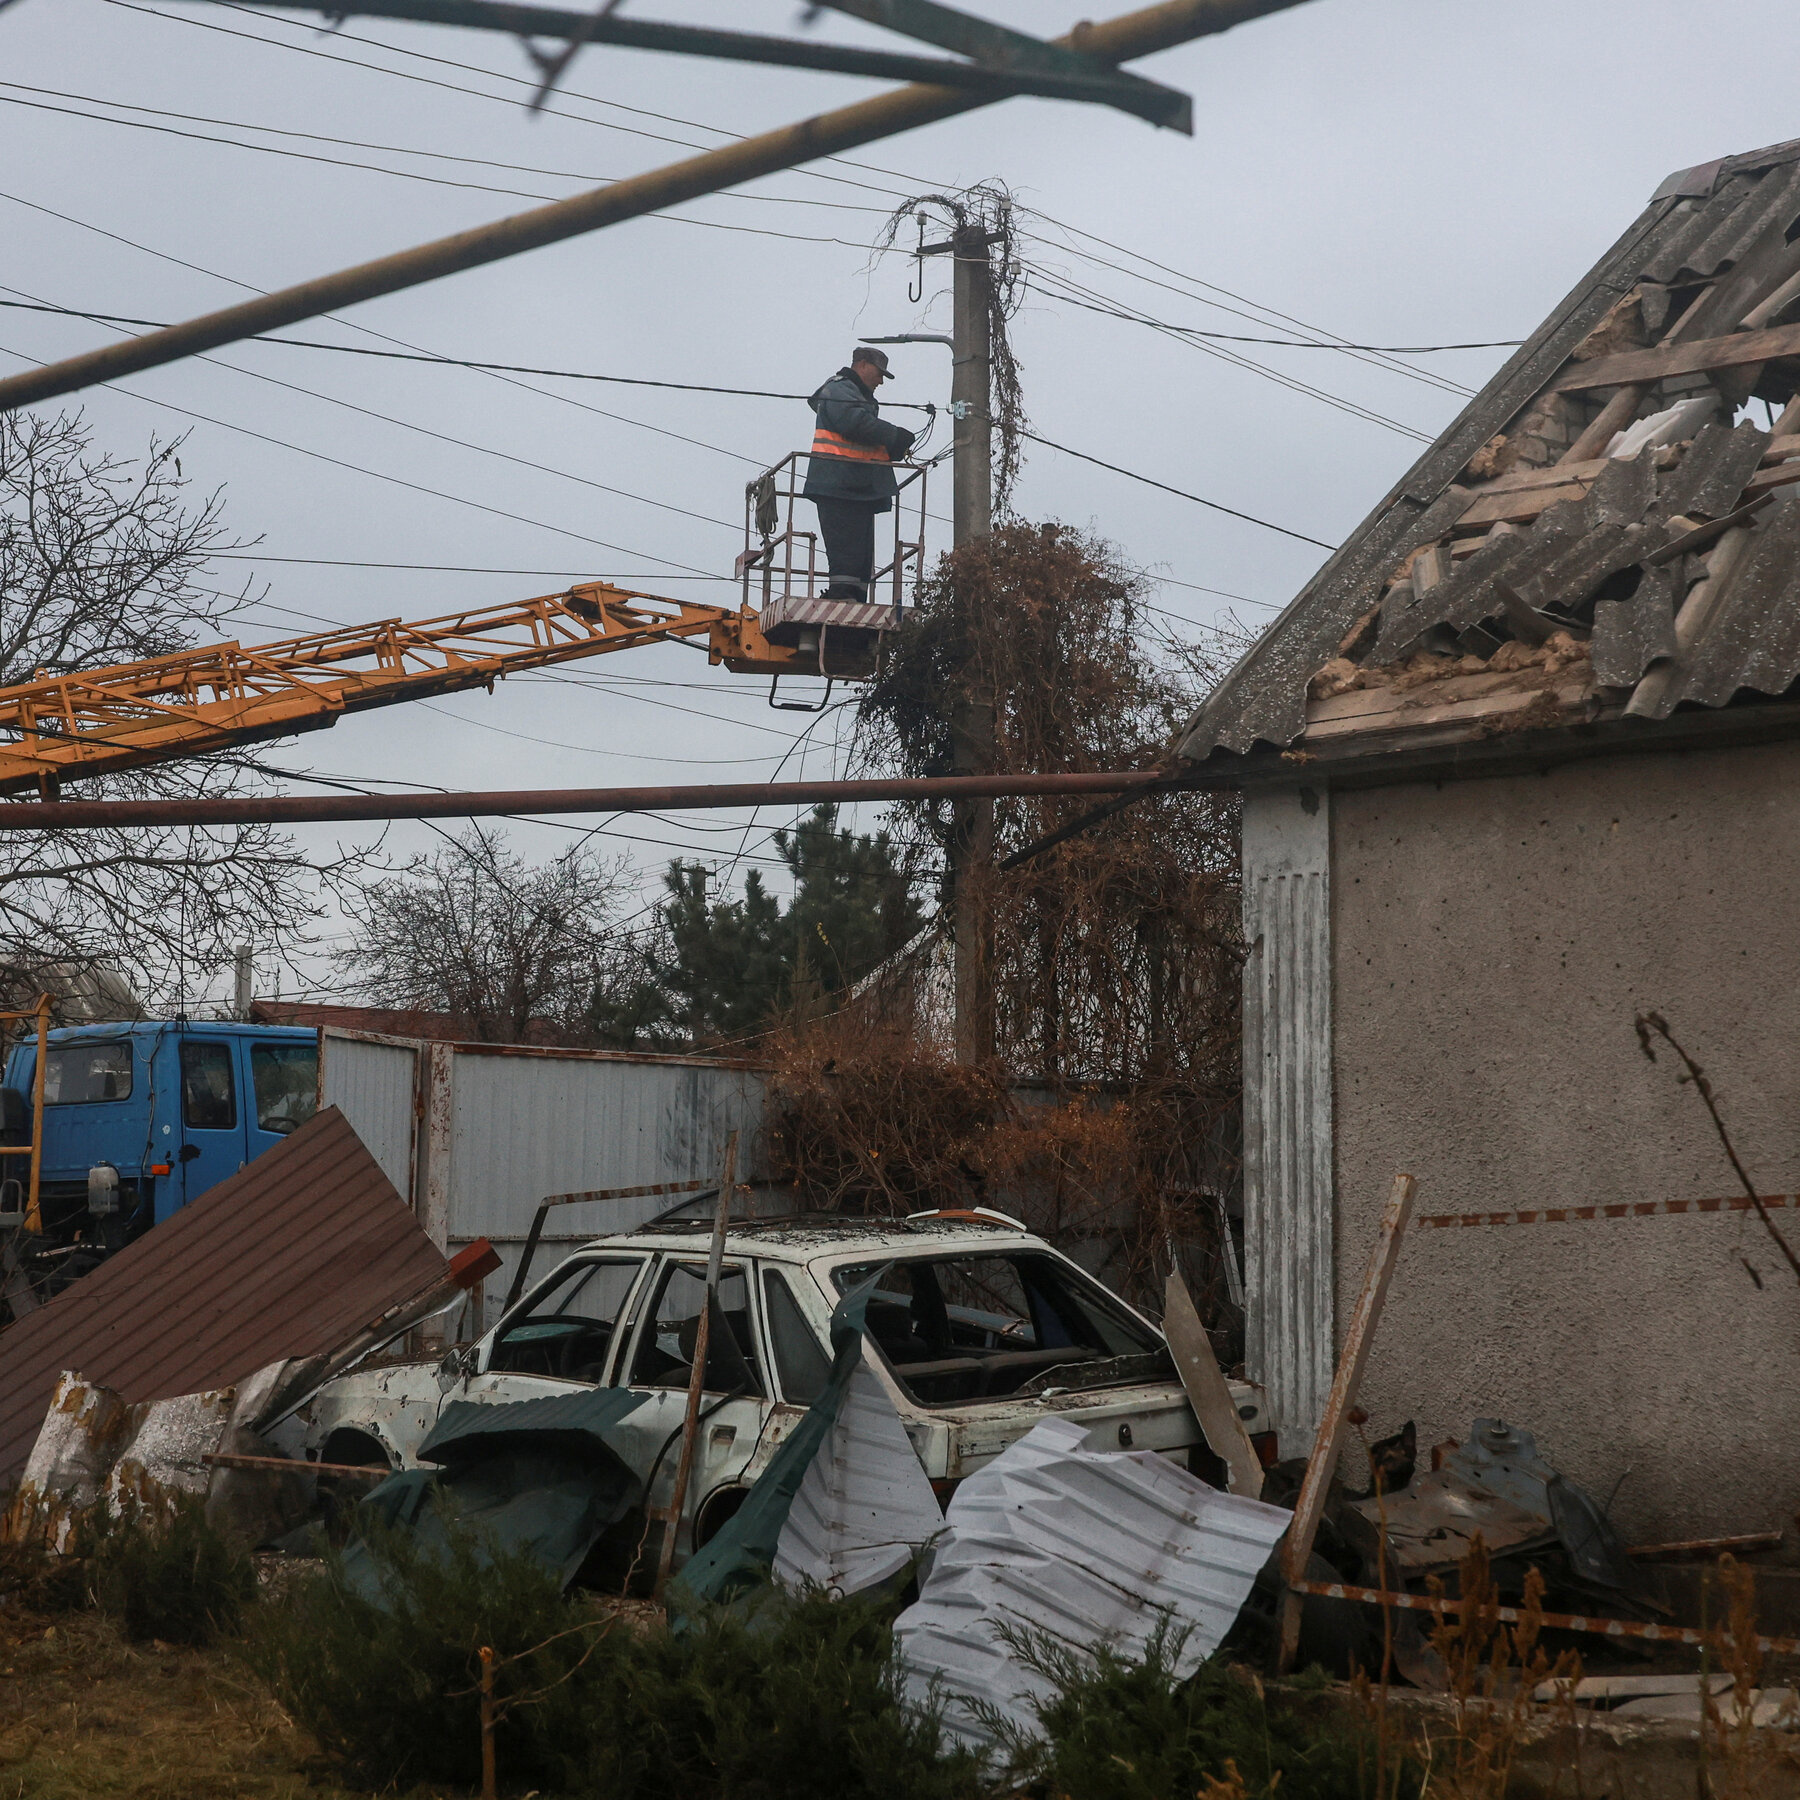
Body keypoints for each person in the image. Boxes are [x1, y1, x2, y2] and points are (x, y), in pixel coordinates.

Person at [803, 346, 916, 601]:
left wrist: (891, 446)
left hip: (856, 487)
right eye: (879, 374)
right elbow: (853, 422)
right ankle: (842, 596)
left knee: (860, 557)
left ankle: (853, 597)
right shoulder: (838, 389)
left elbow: (861, 434)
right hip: (837, 485)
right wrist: (893, 435)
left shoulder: (857, 396)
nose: (881, 381)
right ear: (862, 365)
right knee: (846, 552)